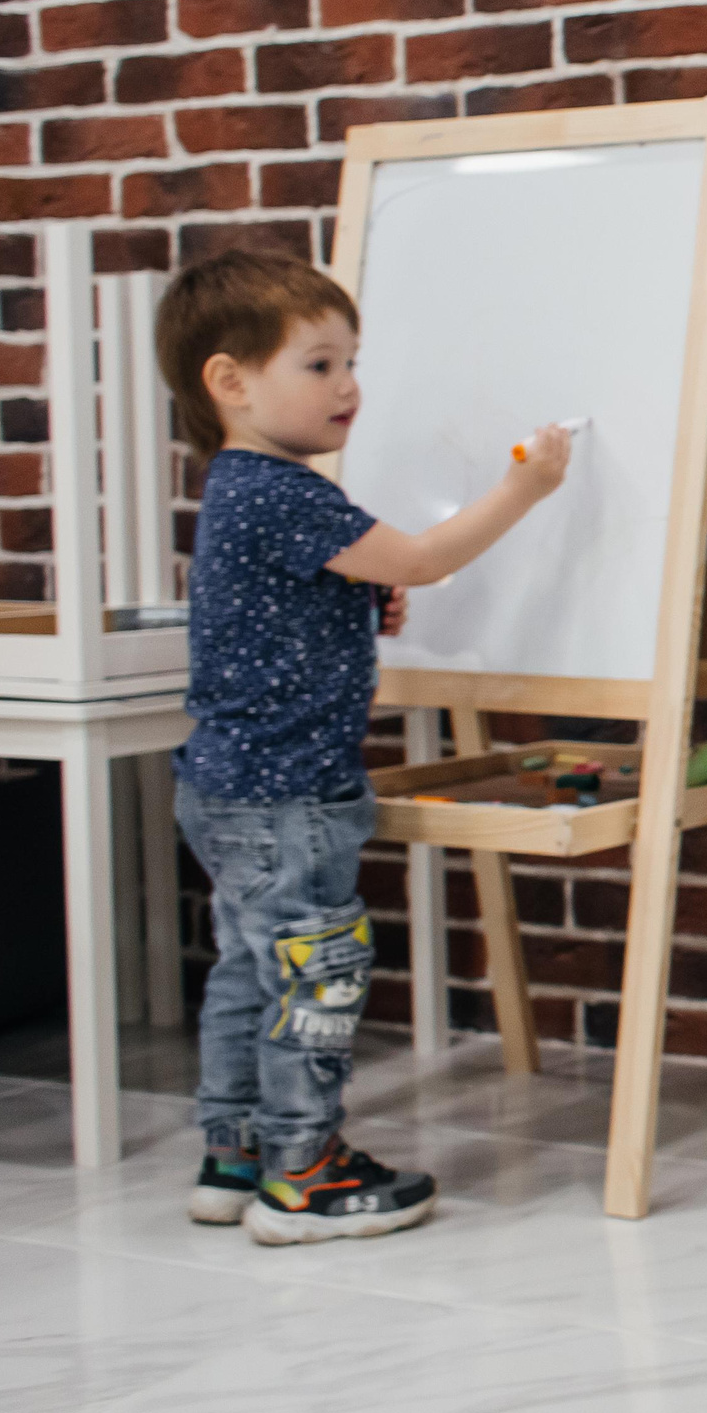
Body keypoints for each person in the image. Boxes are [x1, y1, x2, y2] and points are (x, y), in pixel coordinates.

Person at [157, 249, 572, 1245]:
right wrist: (529, 484)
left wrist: (347, 606)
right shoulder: (286, 490)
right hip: (289, 796)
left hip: (228, 788)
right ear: (230, 381)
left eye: (352, 362)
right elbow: (423, 558)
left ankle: (236, 1155)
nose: (349, 387)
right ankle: (305, 1173)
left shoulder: (239, 486)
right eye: (319, 365)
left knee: (249, 972)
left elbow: (297, 600)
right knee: (317, 974)